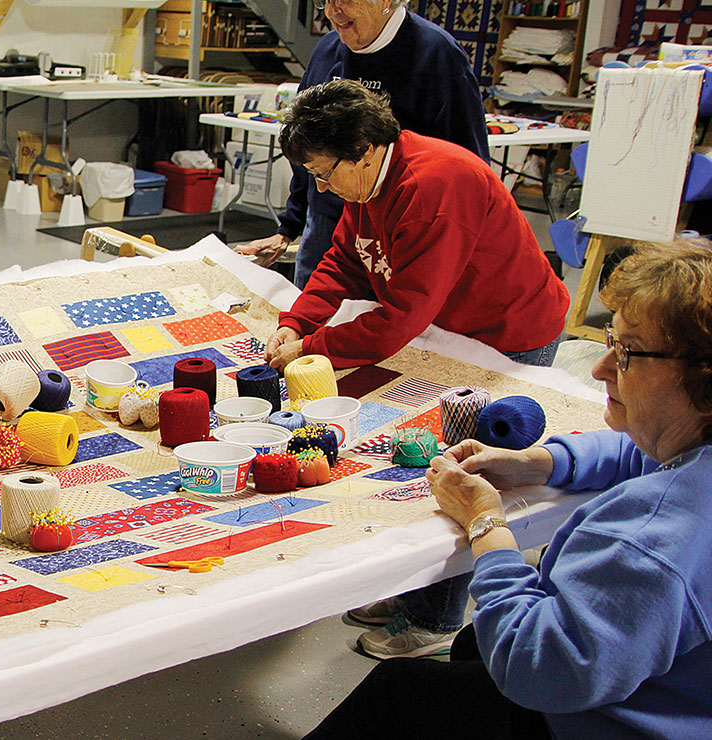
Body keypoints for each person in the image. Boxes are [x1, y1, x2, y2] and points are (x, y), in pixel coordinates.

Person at [306, 239, 712, 738]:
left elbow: (538, 672)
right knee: (473, 645)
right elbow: (642, 453)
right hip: (681, 694)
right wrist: (534, 463)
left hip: (612, 722)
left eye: (627, 353)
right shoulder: (694, 447)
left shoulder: (652, 541)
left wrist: (487, 525)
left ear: (701, 380)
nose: (601, 368)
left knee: (399, 690)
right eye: (610, 341)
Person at [264, 79, 568, 660]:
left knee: (462, 467)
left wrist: (317, 348)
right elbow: (346, 258)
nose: (321, 186)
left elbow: (402, 316)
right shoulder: (369, 183)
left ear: (366, 152)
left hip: (509, 334)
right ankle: (415, 593)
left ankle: (438, 618)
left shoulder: (435, 186)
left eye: (325, 174)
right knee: (420, 457)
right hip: (454, 332)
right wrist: (298, 321)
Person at [233, 0, 488, 288]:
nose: (332, 10)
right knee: (310, 321)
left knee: (389, 324)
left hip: (399, 234)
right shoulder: (328, 51)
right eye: (325, 0)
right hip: (327, 227)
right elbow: (307, 150)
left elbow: (470, 169)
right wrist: (288, 227)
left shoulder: (437, 55)